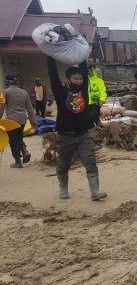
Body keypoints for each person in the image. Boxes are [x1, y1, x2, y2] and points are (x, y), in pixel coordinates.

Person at [47, 56, 107, 201]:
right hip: (65, 136)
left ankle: (95, 192)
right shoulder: (60, 92)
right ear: (68, 80)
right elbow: (53, 74)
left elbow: (83, 67)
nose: (79, 81)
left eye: (81, 79)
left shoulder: (84, 91)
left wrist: (82, 53)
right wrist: (50, 55)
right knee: (63, 165)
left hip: (83, 136)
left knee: (90, 163)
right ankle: (63, 189)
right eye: (76, 79)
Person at [0, 75, 35, 168]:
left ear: (8, 82)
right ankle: (24, 151)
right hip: (22, 120)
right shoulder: (24, 92)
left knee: (12, 141)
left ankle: (18, 162)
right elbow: (30, 109)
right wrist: (33, 122)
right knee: (19, 137)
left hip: (11, 121)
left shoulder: (4, 92)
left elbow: (1, 108)